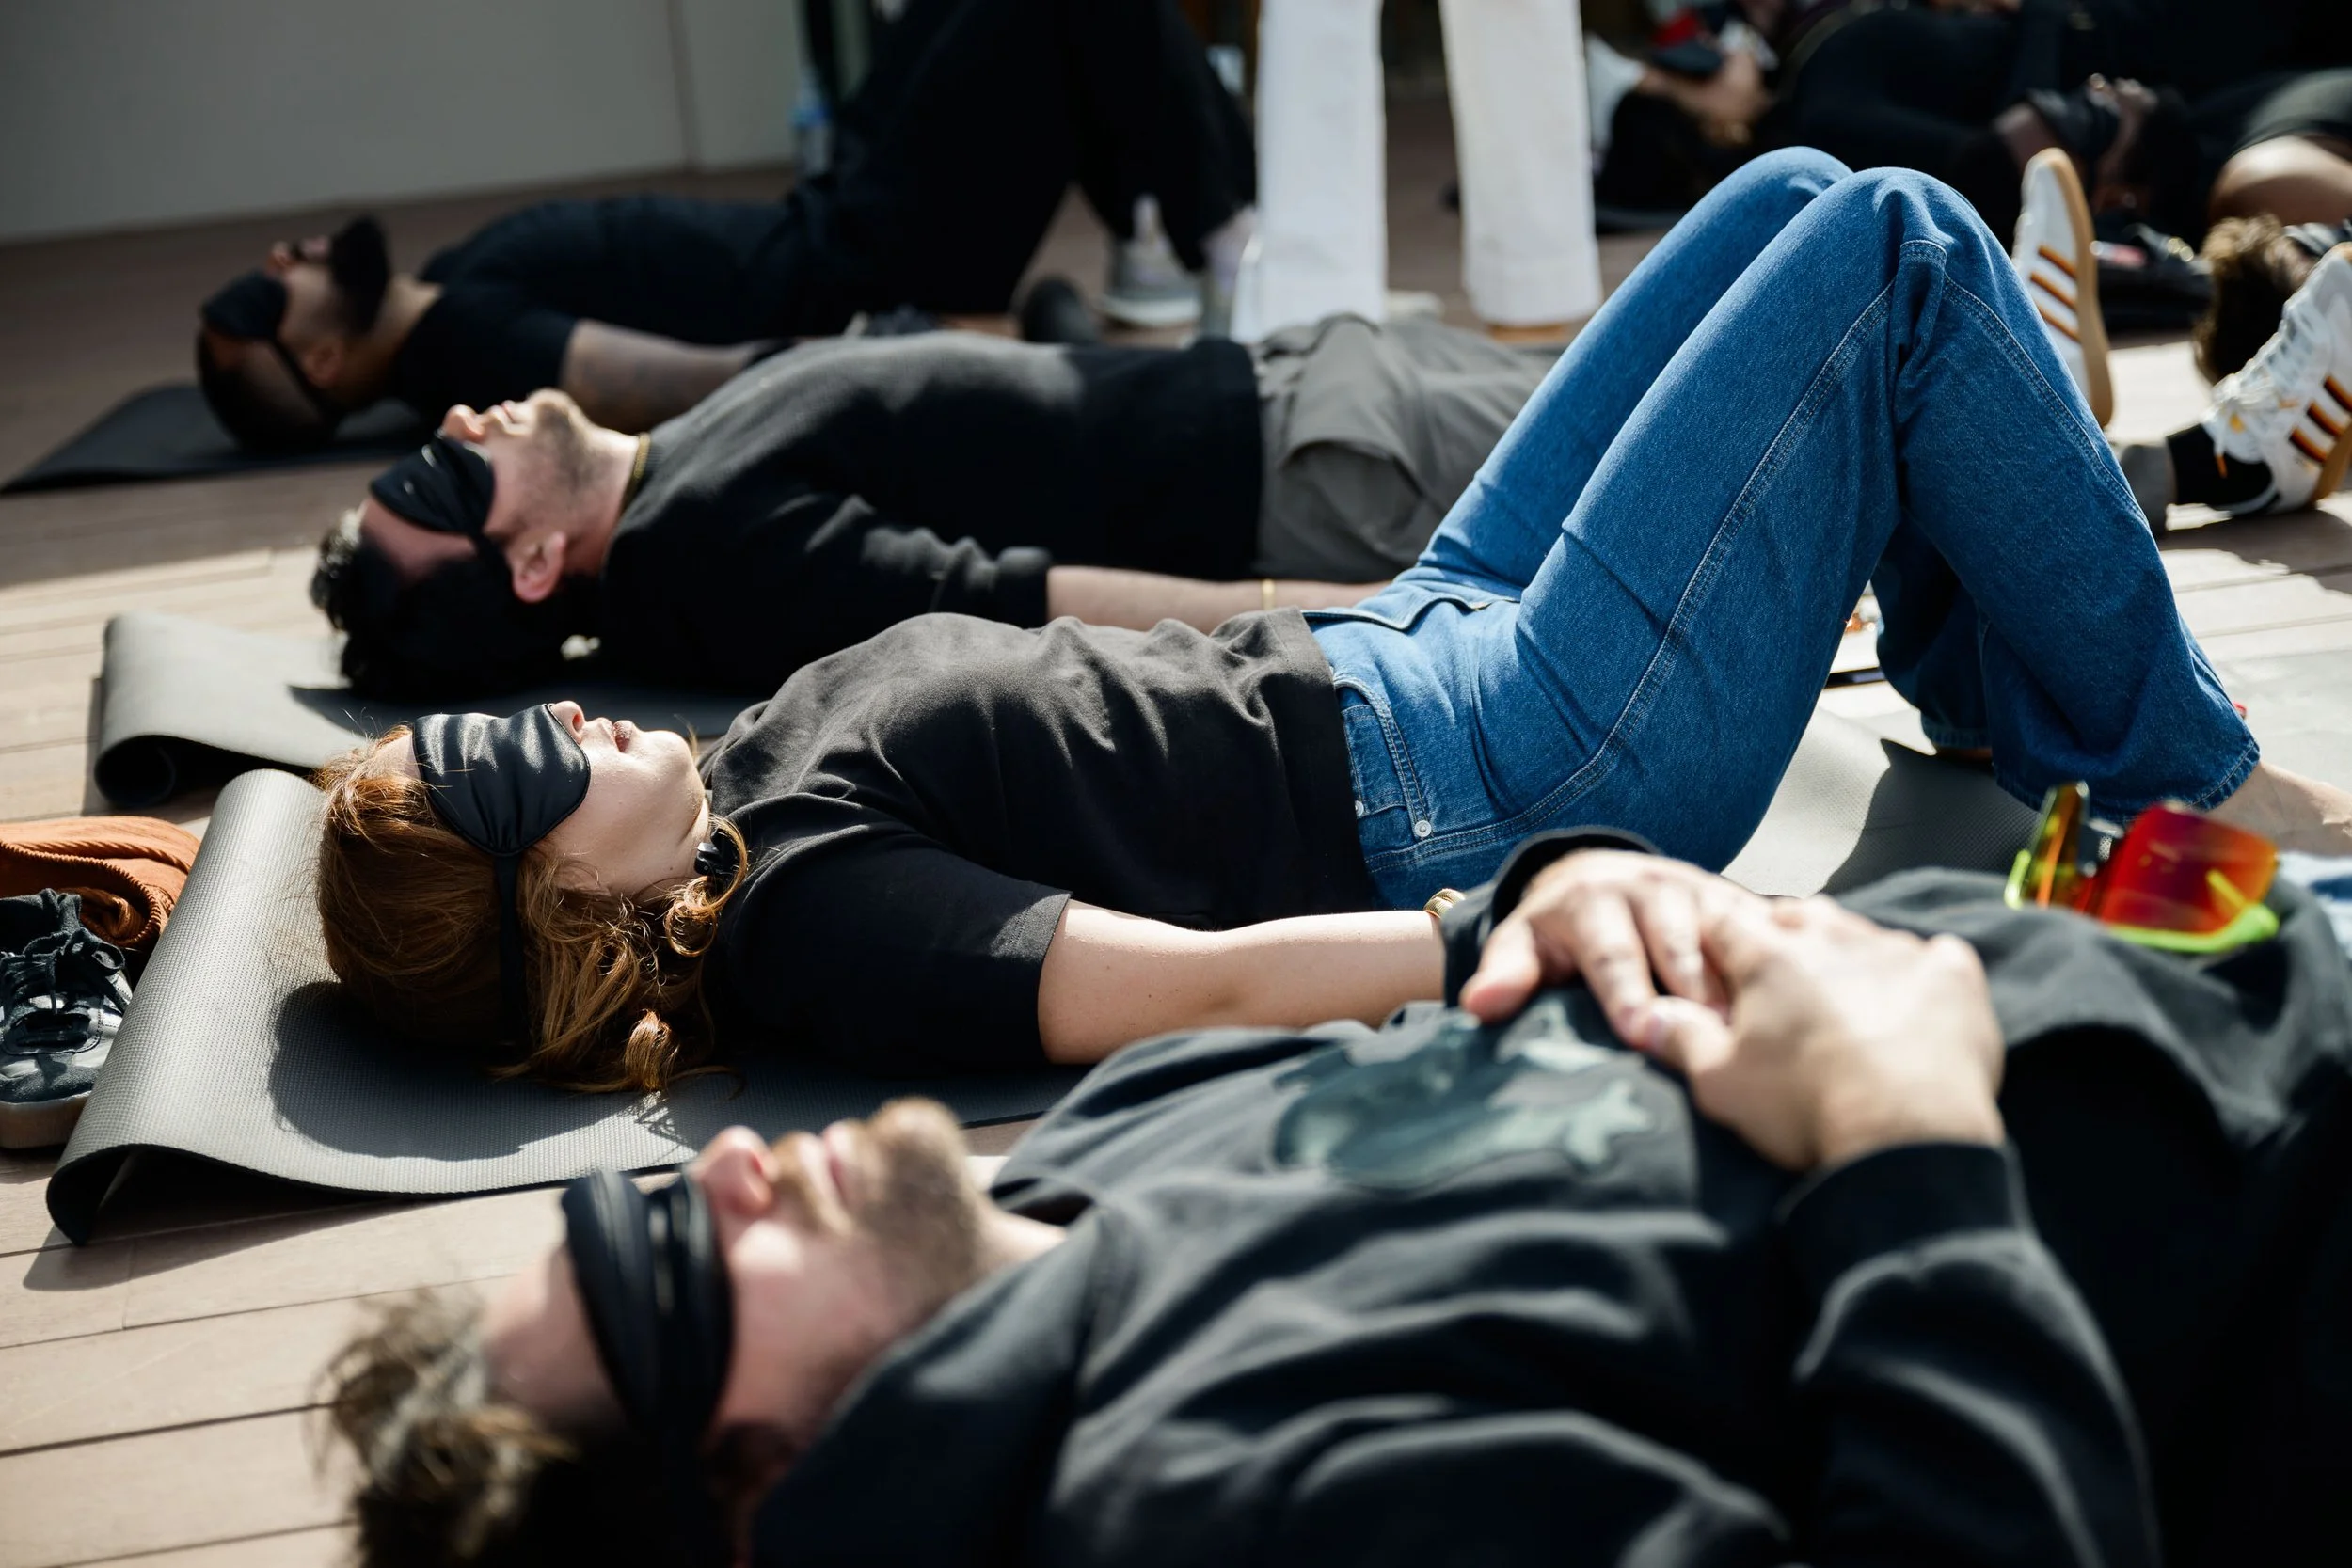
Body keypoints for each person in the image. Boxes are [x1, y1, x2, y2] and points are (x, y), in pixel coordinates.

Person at [308, 150, 2352, 1098]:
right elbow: (1183, 989)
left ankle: (2008, 693)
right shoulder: (807, 907)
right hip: (1501, 762)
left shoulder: (743, 771)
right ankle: (2185, 784)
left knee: (1789, 189)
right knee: (1892, 247)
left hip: (1414, 636)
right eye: (515, 775)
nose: (554, 731)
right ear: (557, 910)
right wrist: (1529, 911)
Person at [317, 833, 2352, 1566]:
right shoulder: (1208, 1503)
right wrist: (1907, 1151)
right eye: (671, 1277)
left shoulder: (1091, 1164)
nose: (721, 1167)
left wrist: (1573, 887)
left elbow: (1471, 1017)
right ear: (757, 1509)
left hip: (2195, 924)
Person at [193, 0, 1255, 451]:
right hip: (865, 265)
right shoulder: (469, 348)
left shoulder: (447, 287)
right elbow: (690, 382)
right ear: (322, 360)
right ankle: (1229, 242)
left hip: (834, 211)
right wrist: (931, 347)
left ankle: (1158, 207)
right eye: (262, 294)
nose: (280, 257)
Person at [308, 316, 1557, 697]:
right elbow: (1023, 602)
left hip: (1299, 388)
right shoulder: (704, 555)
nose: (455, 422)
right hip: (1332, 466)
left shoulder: (666, 477)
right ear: (531, 561)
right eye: (440, 481)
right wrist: (1387, 608)